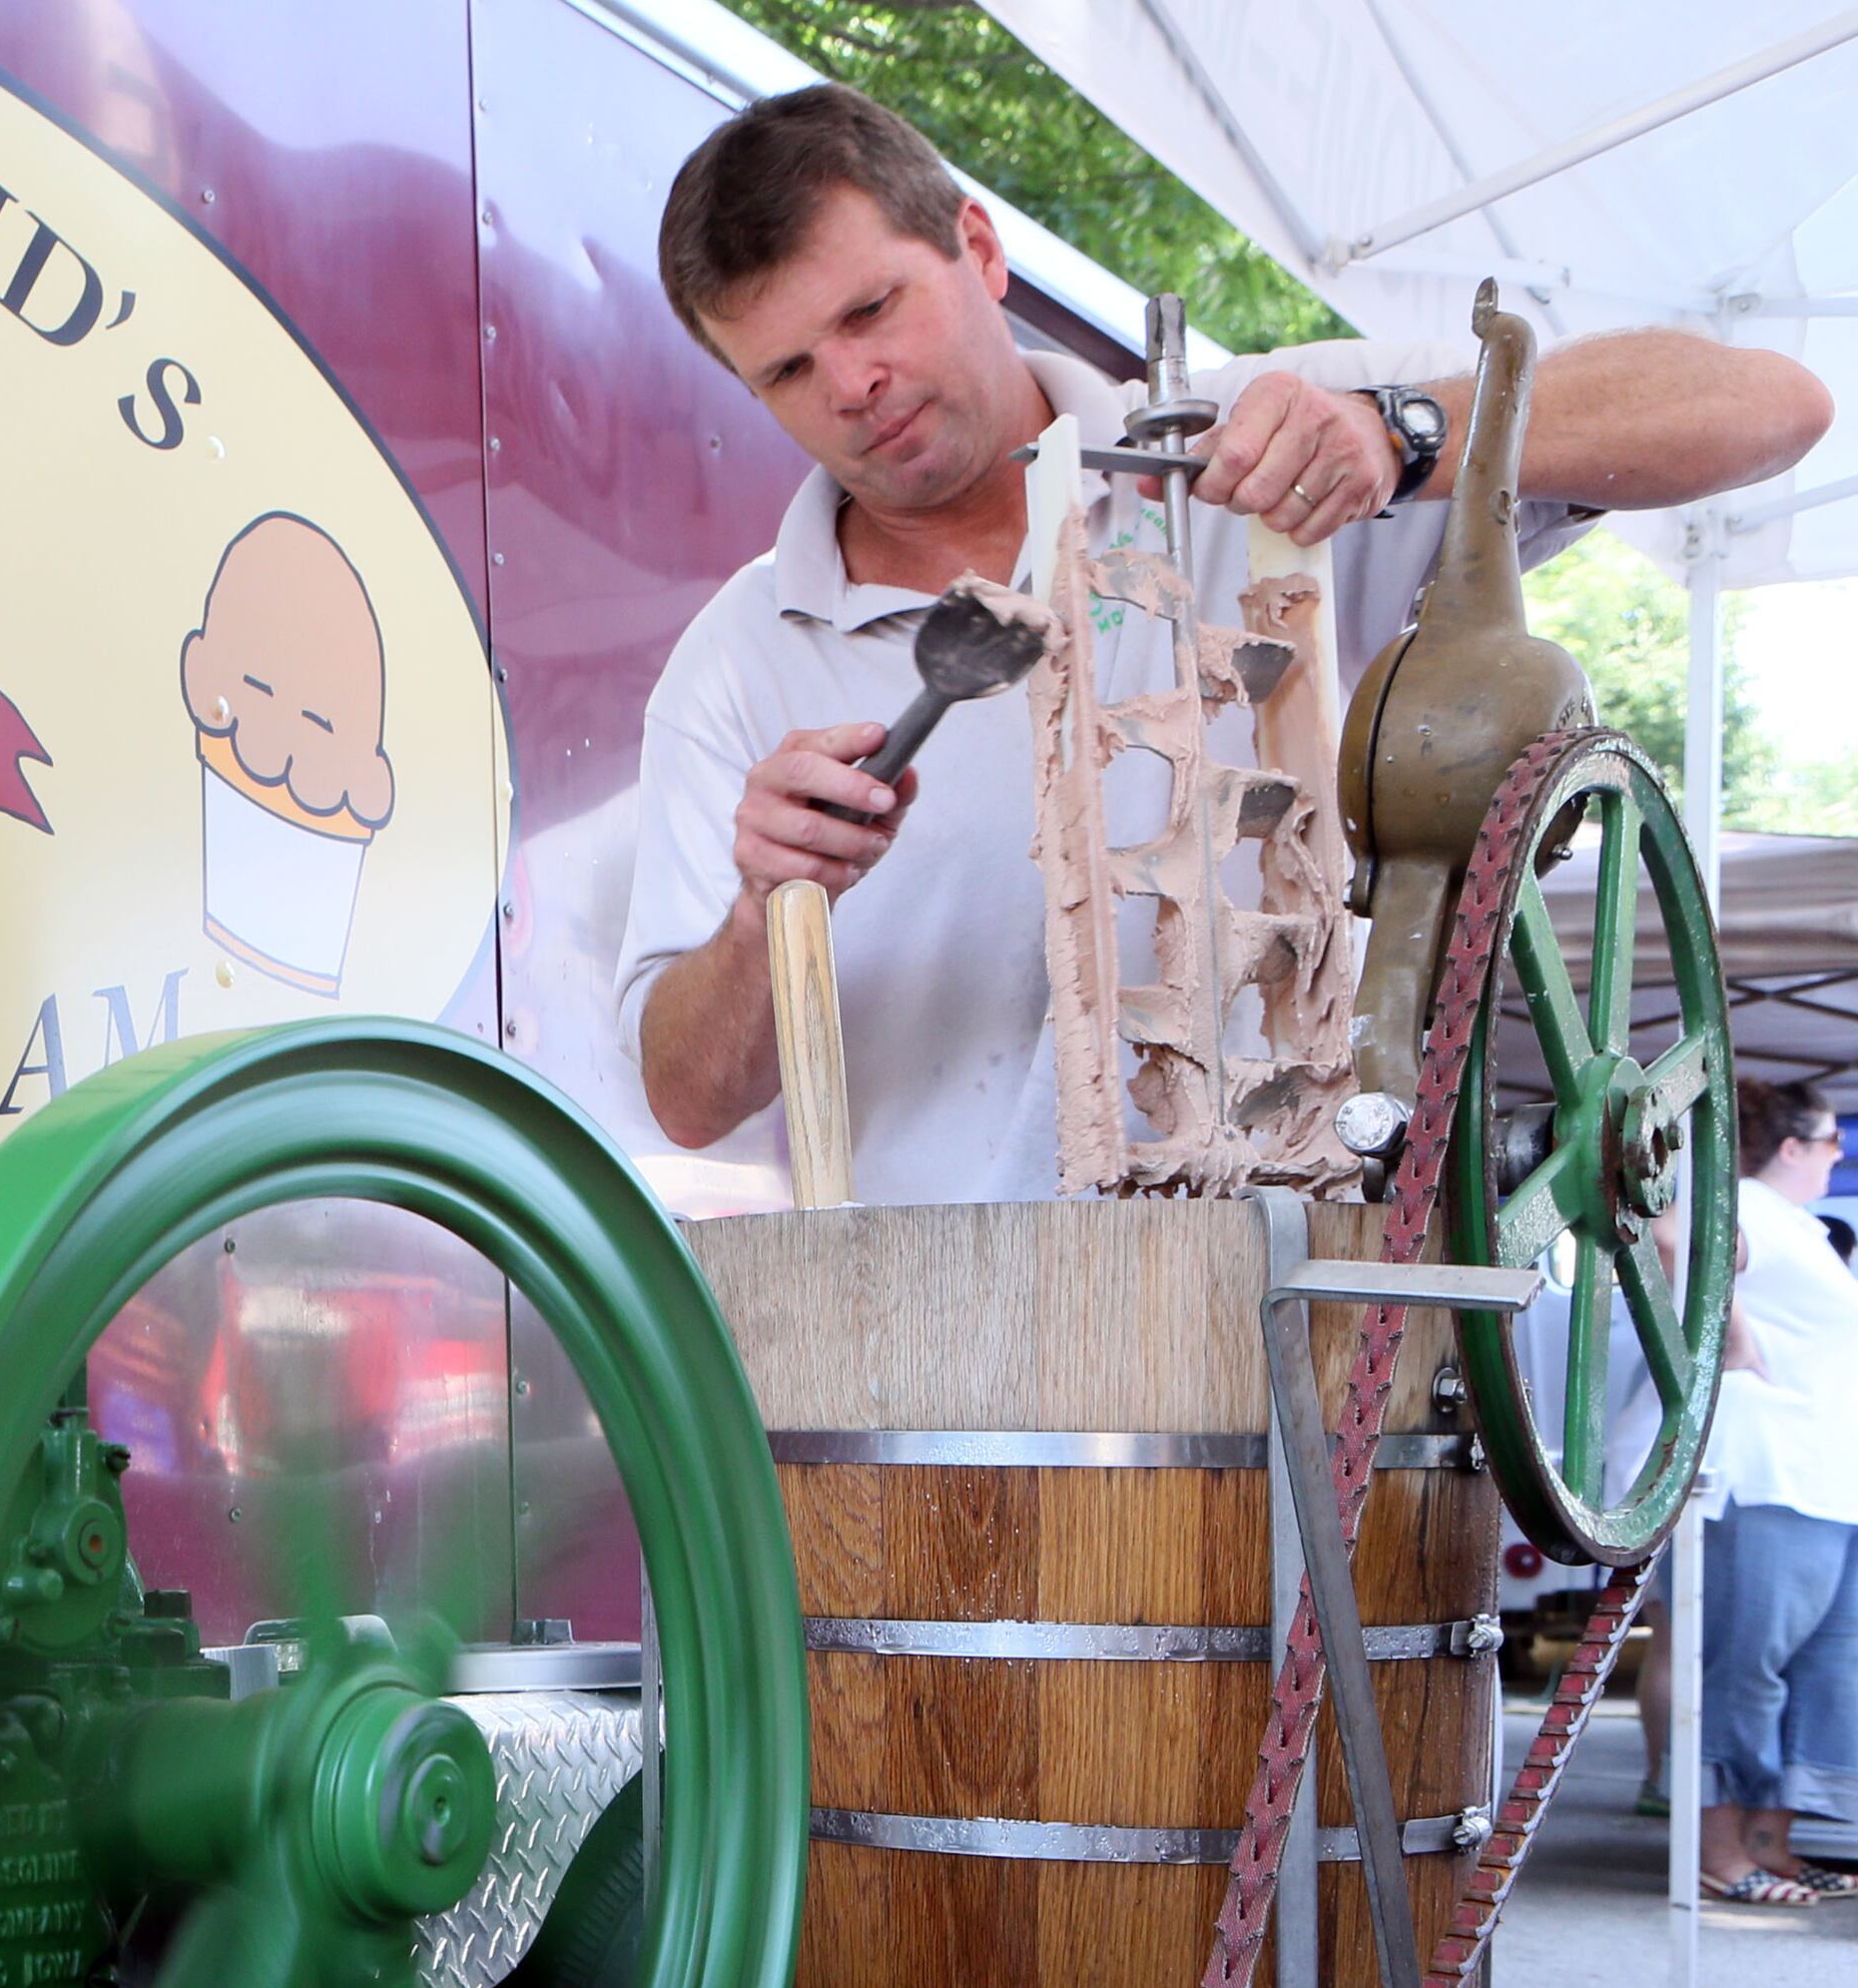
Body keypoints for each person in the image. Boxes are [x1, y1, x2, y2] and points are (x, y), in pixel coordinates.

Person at [619, 86, 1834, 1196]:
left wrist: (1401, 436)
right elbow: (682, 1096)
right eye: (787, 368)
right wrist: (761, 914)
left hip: (1293, 1309)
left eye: (871, 308)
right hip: (945, 1375)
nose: (853, 382)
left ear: (978, 250)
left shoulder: (1254, 455)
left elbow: (1770, 407)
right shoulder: (739, 659)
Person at [1697, 1082, 1858, 1903]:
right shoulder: (1750, 1204)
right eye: (1832, 1139)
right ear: (1791, 1148)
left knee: (1821, 1669)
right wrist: (1732, 1330)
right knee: (1747, 1668)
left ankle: (1772, 1845)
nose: (1840, 1153)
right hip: (1769, 1474)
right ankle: (1722, 1853)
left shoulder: (1795, 1225)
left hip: (1823, 1479)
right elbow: (1676, 1237)